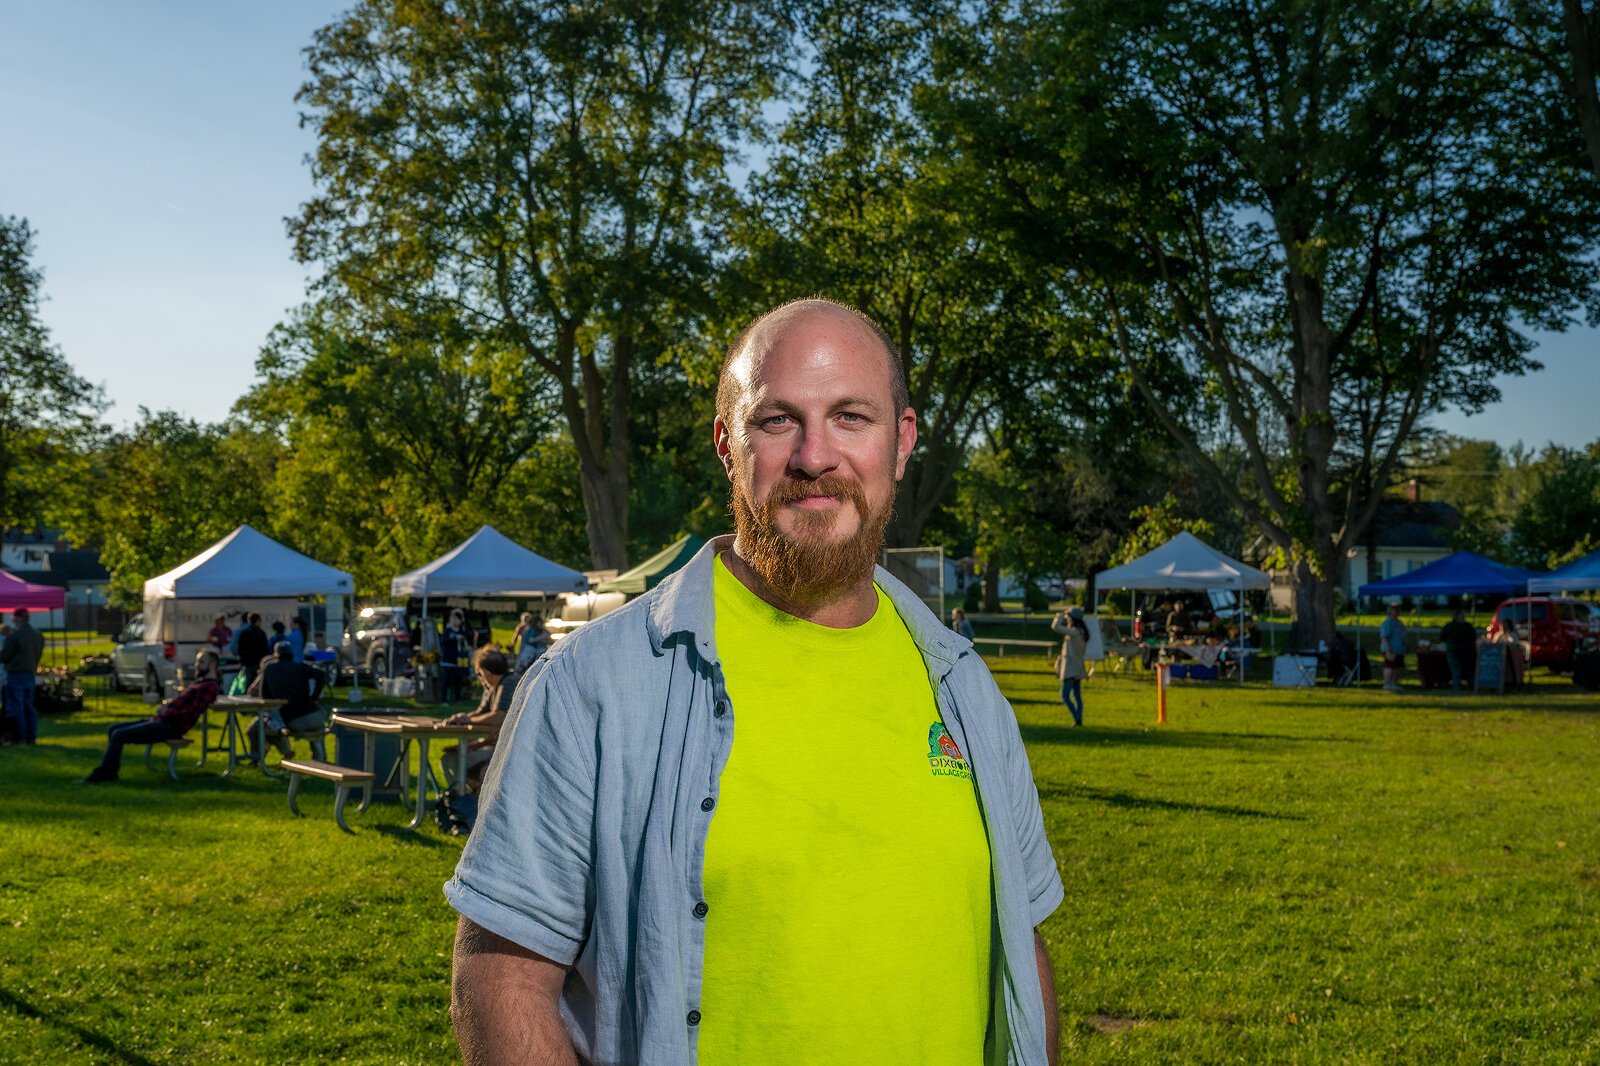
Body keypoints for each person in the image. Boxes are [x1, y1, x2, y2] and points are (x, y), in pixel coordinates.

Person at [446, 298, 1062, 1066]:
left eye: (851, 418)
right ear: (727, 445)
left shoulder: (966, 688)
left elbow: (1020, 939)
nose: (814, 457)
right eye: (776, 421)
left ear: (901, 442)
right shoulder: (593, 687)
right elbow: (503, 974)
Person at [86, 649, 222, 782]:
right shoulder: (200, 683)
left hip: (170, 727)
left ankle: (104, 774)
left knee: (118, 735)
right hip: (161, 722)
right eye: (197, 661)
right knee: (113, 729)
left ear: (212, 665)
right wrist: (168, 705)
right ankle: (110, 771)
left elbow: (191, 713)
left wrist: (166, 711)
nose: (196, 665)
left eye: (201, 661)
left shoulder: (209, 687)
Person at [440, 646, 520, 792]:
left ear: (487, 672)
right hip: (497, 747)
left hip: (511, 754)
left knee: (454, 759)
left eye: (479, 673)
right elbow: (479, 713)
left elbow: (498, 717)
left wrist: (468, 725)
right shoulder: (494, 687)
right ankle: (461, 800)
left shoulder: (509, 682)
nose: (480, 678)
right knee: (450, 758)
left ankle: (463, 802)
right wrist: (461, 718)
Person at [246, 642, 327, 759]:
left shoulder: (270, 669)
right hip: (316, 716)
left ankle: (260, 758)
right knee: (316, 730)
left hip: (294, 720)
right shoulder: (300, 666)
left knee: (261, 727)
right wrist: (314, 697)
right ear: (292, 654)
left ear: (276, 655)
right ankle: (319, 760)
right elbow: (321, 674)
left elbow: (265, 697)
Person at [0, 608, 47, 745]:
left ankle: (18, 737)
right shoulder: (38, 635)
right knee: (29, 707)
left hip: (16, 674)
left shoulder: (15, 636)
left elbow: (4, 656)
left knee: (16, 707)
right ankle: (31, 736)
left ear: (17, 619)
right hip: (30, 674)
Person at [1051, 606, 1088, 726]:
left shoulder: (1075, 632)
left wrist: (1060, 616)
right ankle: (1079, 718)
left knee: (1065, 695)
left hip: (1071, 668)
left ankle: (1077, 718)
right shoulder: (1082, 632)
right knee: (1077, 695)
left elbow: (1055, 627)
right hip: (1078, 667)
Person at [1439, 605, 1478, 693]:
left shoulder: (1449, 626)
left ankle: (1457, 689)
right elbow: (1473, 638)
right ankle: (1473, 687)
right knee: (1469, 671)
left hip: (1454, 651)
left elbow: (1442, 637)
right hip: (1467, 651)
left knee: (1456, 671)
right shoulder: (1468, 626)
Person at [231, 612, 270, 689]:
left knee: (247, 684)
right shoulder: (261, 633)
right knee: (258, 684)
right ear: (258, 621)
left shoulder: (244, 633)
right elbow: (265, 649)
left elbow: (240, 648)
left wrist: (242, 660)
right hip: (258, 663)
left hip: (247, 663)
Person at [440, 609, 470, 702]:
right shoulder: (447, 630)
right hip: (447, 660)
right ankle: (444, 700)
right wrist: (454, 639)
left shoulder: (462, 631)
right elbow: (443, 642)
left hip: (458, 660)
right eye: (453, 618)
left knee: (457, 681)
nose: (454, 621)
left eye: (457, 619)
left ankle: (457, 699)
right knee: (446, 681)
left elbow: (468, 641)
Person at [1379, 603, 1409, 692]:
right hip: (1390, 648)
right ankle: (1387, 683)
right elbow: (1384, 637)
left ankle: (1394, 683)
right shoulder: (1388, 622)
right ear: (1390, 612)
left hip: (1399, 649)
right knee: (1389, 666)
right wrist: (1389, 649)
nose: (1398, 612)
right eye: (1396, 610)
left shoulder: (1399, 623)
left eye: (1398, 610)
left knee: (1397, 667)